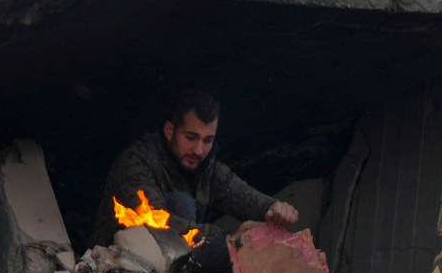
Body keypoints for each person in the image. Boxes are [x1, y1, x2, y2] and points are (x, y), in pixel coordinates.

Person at [99, 89, 297, 250]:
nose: (199, 150)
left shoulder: (207, 168)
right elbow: (158, 223)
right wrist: (229, 239)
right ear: (170, 131)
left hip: (173, 265)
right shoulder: (137, 161)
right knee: (182, 204)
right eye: (191, 137)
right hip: (118, 262)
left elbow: (242, 195)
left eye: (208, 140)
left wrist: (274, 209)